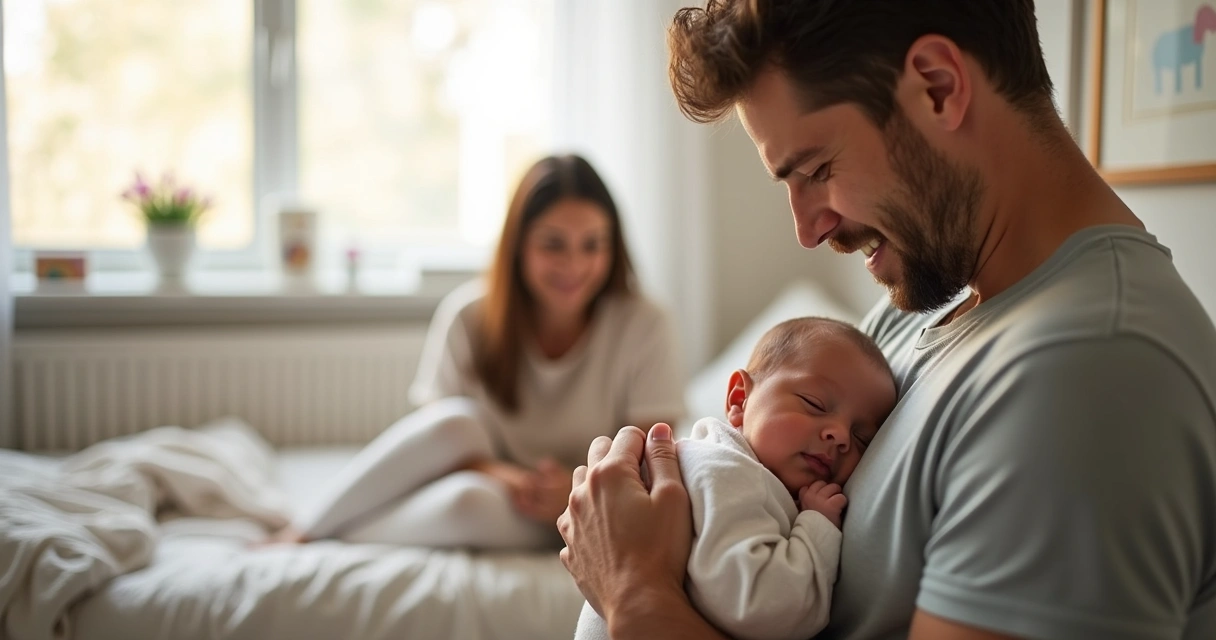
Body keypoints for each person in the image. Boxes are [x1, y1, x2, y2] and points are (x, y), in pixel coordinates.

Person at [557, 1, 1216, 639]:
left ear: (937, 87)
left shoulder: (1087, 372)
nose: (809, 229)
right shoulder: (921, 317)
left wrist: (634, 591)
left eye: (817, 169)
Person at [268, 153, 685, 550]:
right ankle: (308, 529)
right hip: (502, 487)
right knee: (457, 436)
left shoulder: (644, 324)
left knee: (467, 506)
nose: (574, 264)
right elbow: (434, 446)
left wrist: (574, 488)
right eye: (554, 244)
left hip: (587, 506)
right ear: (518, 245)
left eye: (592, 245)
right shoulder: (468, 316)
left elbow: (651, 459)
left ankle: (325, 533)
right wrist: (510, 478)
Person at [574, 317, 897, 640]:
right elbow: (761, 608)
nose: (839, 435)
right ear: (739, 400)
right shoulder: (726, 472)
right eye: (814, 404)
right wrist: (816, 529)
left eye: (861, 438)